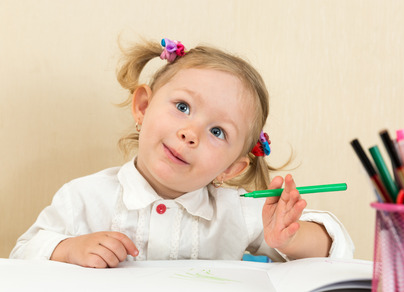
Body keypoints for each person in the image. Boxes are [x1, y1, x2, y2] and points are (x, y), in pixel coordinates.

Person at [10, 38, 354, 268]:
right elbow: (20, 256)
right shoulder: (83, 197)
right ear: (143, 107)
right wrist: (68, 250)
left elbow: (337, 251)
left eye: (218, 132)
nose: (191, 133)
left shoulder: (238, 211)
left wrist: (290, 239)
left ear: (232, 167)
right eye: (183, 106)